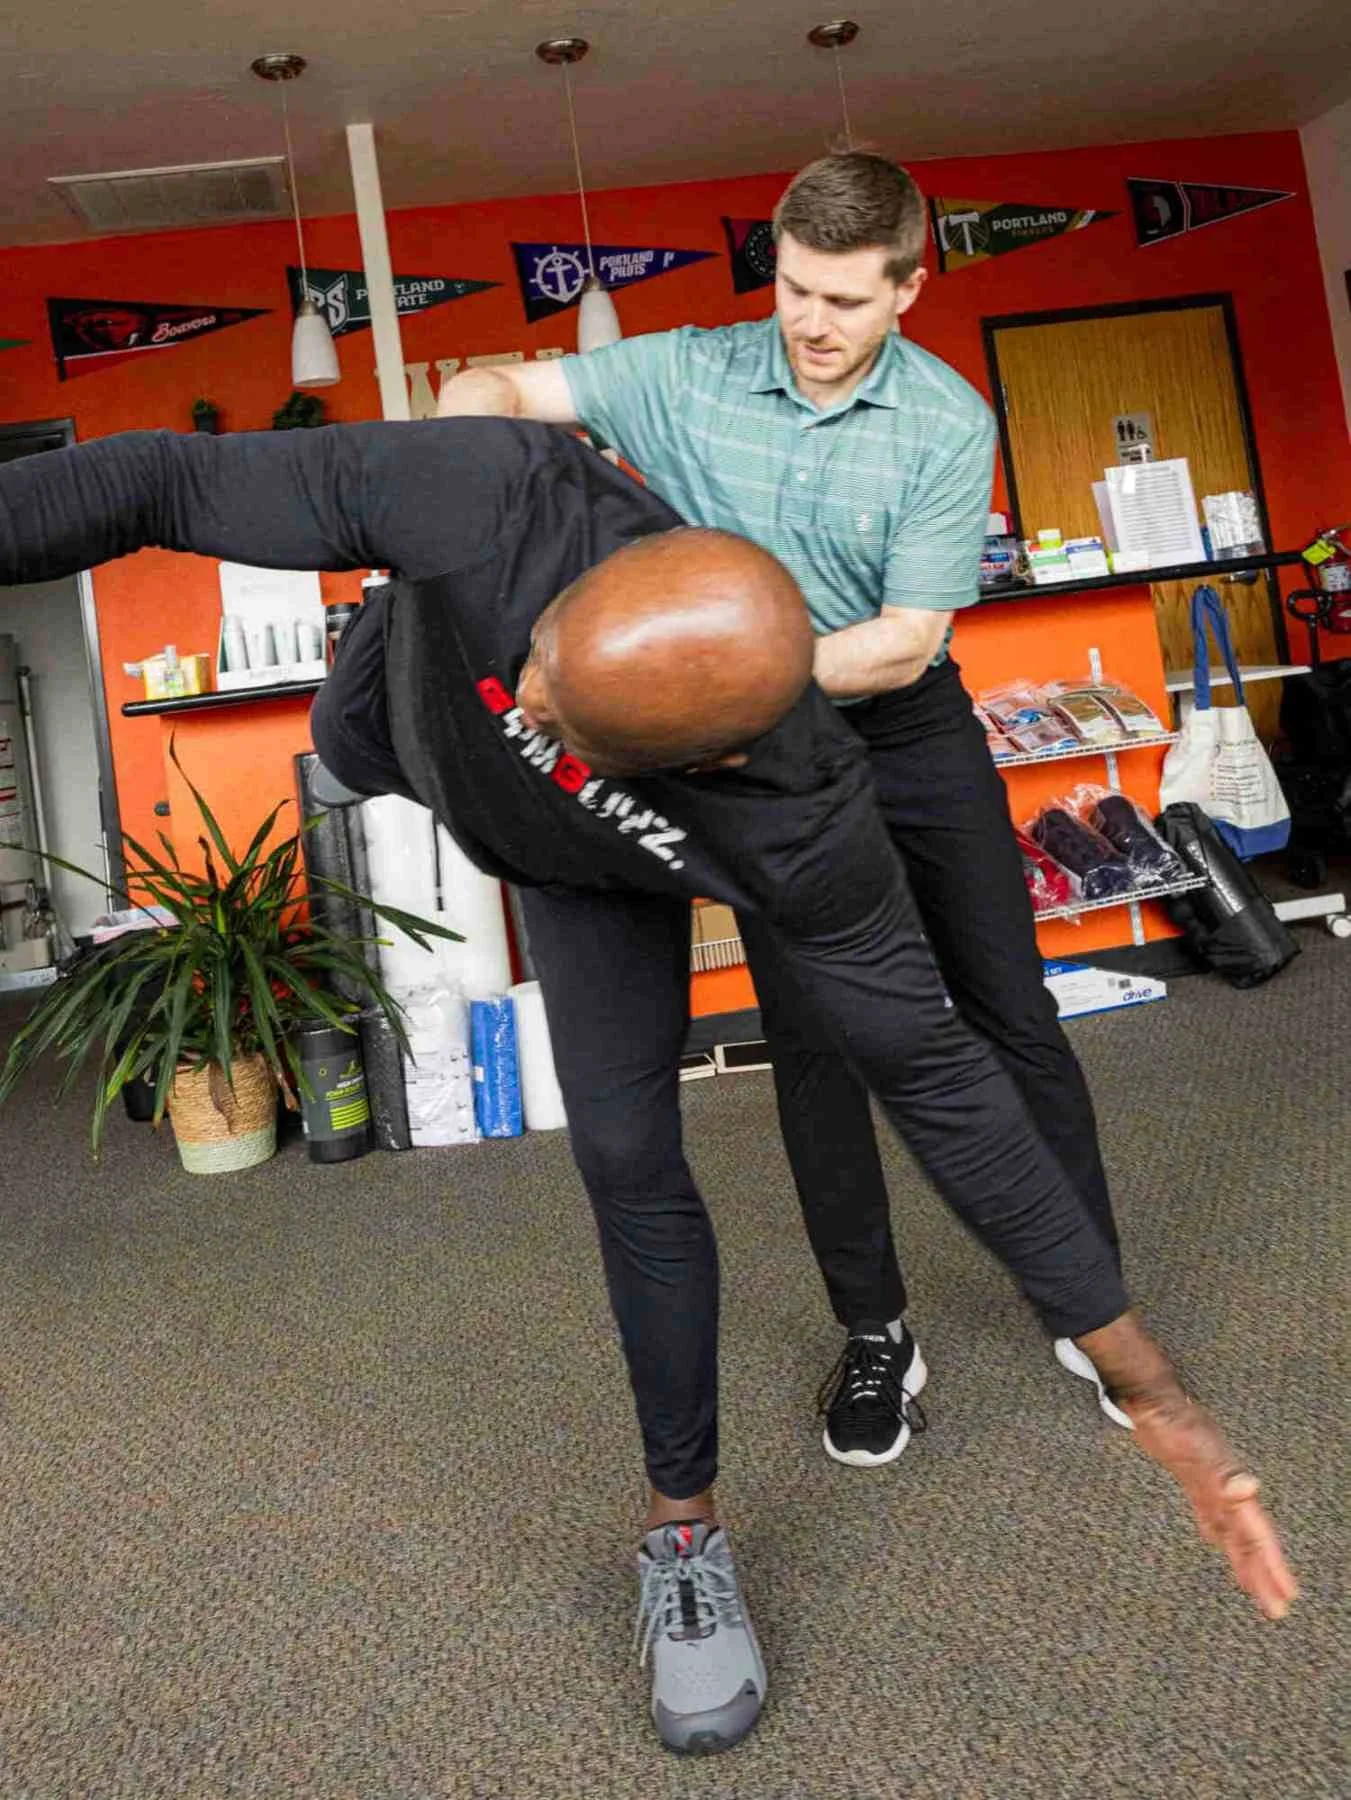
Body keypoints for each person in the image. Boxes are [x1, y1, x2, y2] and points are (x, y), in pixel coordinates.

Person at [0, 423, 1295, 1758]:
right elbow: (151, 479)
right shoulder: (489, 494)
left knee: (626, 1151)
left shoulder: (799, 815)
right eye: (541, 674)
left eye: (560, 719)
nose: (529, 708)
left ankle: (682, 1534)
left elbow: (938, 1081)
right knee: (379, 745)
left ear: (720, 763)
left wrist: (1155, 1394)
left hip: (599, 859)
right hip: (425, 737)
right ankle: (435, 679)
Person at [438, 150, 1131, 1468]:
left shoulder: (942, 419)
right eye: (796, 291)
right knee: (815, 1048)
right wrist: (464, 445)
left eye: (847, 303)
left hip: (900, 723)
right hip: (766, 760)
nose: (812, 325)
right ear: (775, 261)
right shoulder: (686, 369)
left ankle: (1084, 1300)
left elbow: (904, 641)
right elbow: (499, 382)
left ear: (907, 291)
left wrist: (690, 670)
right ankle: (875, 1332)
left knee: (1005, 1010)